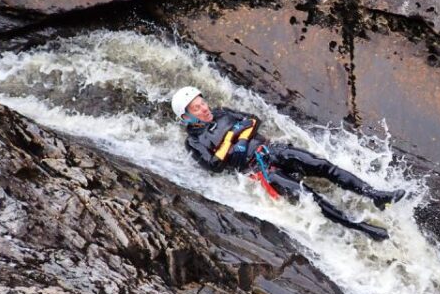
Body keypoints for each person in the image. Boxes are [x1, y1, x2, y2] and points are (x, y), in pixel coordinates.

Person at [171, 86, 405, 241]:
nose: (204, 108)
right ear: (186, 116)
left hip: (273, 151)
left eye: (202, 103)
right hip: (261, 171)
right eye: (197, 108)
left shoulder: (222, 112)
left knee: (322, 165)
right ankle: (361, 229)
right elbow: (213, 165)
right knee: (309, 196)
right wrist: (234, 136)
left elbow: (252, 120)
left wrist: (240, 139)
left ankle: (375, 194)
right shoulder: (193, 142)